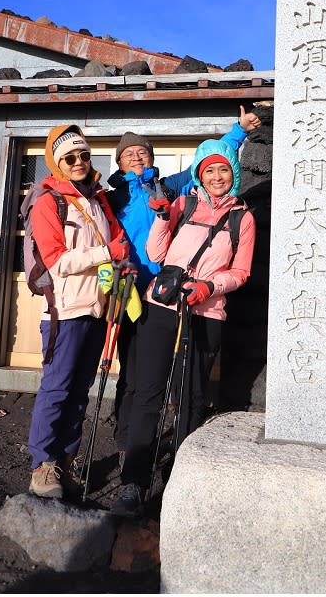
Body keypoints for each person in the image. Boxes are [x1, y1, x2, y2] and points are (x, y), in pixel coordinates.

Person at [111, 138, 256, 517]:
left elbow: (241, 272)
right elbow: (157, 254)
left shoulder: (243, 217)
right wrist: (161, 217)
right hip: (162, 306)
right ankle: (134, 482)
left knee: (190, 398)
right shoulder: (183, 203)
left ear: (234, 173)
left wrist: (211, 286)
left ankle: (180, 478)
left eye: (223, 168)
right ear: (199, 174)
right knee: (148, 392)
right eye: (209, 169)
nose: (217, 176)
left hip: (207, 312)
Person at [27, 124, 131, 500]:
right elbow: (57, 261)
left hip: (97, 309)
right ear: (56, 163)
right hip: (65, 311)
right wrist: (108, 254)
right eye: (69, 157)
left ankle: (66, 462)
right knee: (56, 389)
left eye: (83, 155)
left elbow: (117, 239)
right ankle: (42, 466)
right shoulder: (47, 202)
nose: (78, 162)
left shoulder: (99, 200)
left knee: (79, 392)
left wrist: (121, 257)